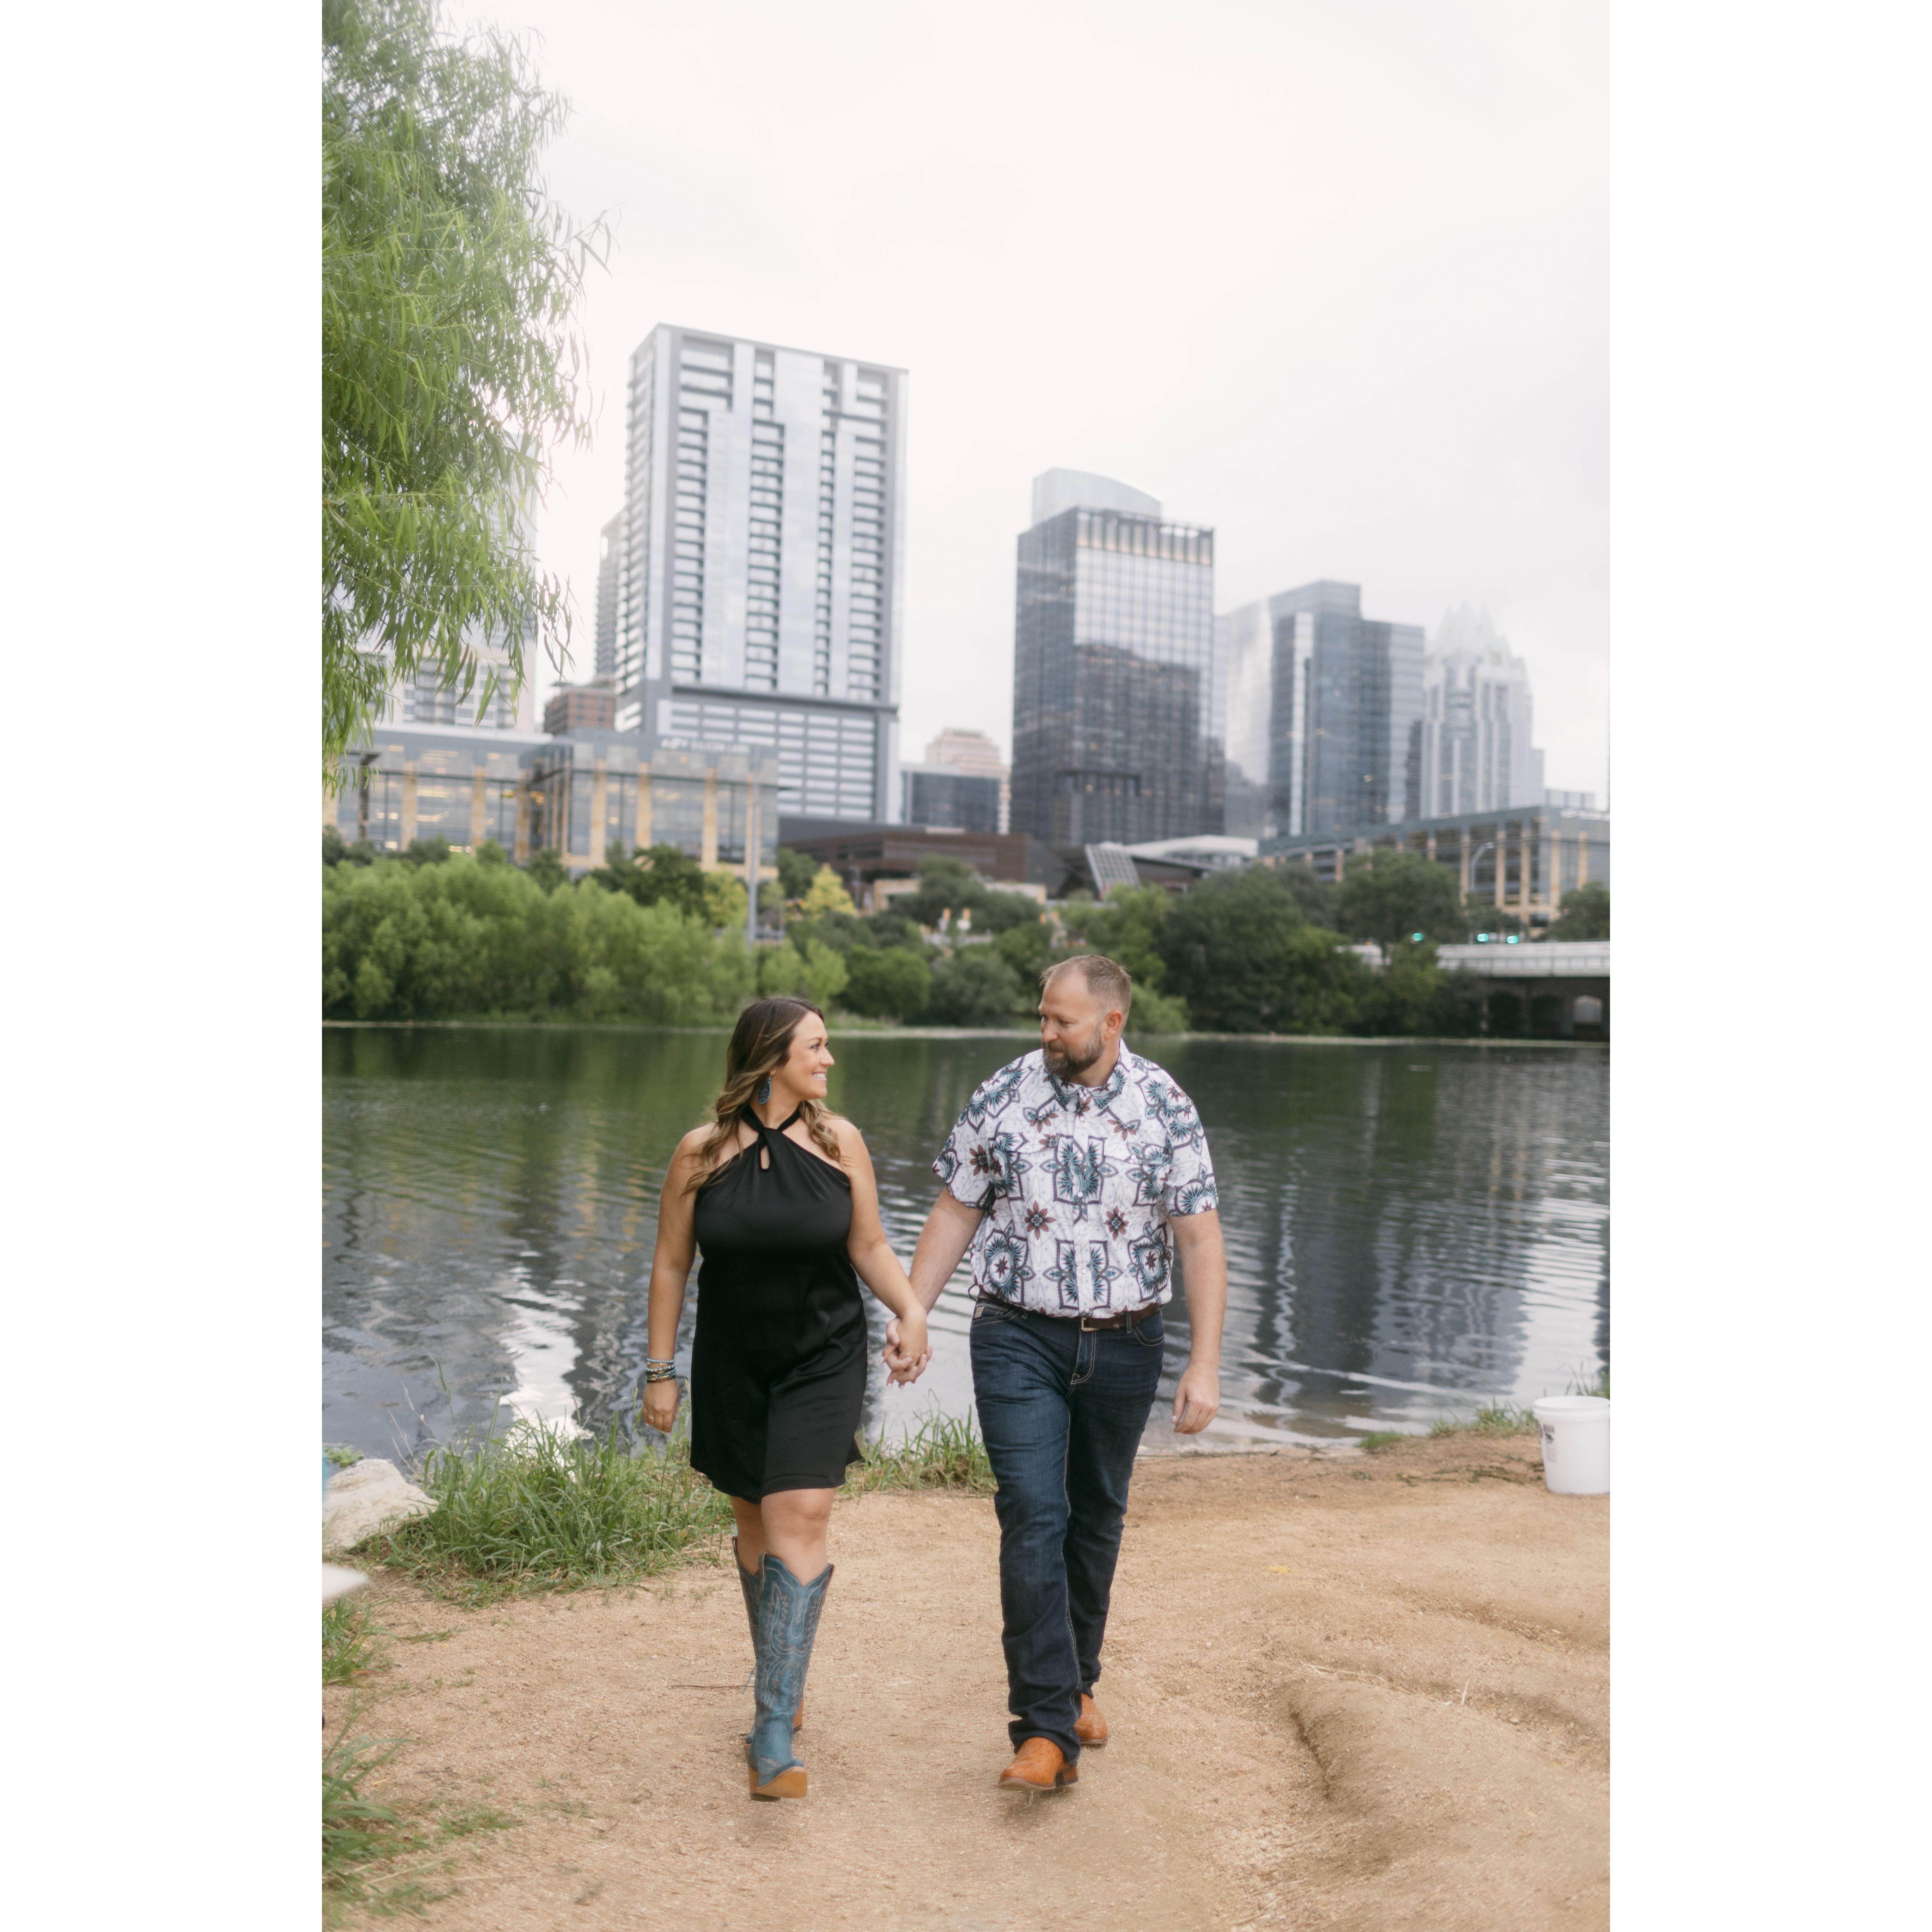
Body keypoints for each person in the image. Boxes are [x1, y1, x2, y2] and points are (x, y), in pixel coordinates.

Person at [886, 954, 1226, 1793]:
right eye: (1041, 1017)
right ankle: (1043, 1729)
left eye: (1061, 1021)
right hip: (1016, 1334)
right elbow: (957, 1206)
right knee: (1033, 1514)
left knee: (1096, 1517)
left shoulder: (1165, 1106)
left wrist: (1206, 1364)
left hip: (1127, 1341)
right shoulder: (1004, 1093)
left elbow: (1200, 1237)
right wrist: (916, 1310)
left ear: (1111, 1024)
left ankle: (1078, 1683)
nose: (1045, 1034)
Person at [641, 996, 929, 1800]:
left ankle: (771, 1728)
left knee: (799, 1514)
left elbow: (868, 1244)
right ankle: (784, 1673)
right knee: (751, 1521)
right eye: (817, 1047)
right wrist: (660, 1371)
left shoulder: (842, 1144)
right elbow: (671, 1265)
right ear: (771, 1057)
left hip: (824, 1356)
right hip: (734, 1361)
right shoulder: (699, 1155)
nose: (829, 1060)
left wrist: (910, 1310)